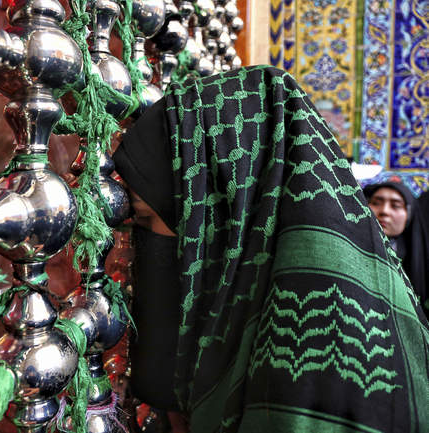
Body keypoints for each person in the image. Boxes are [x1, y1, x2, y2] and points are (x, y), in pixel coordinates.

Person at [113, 66, 429, 433]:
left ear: (219, 214)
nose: (130, 253)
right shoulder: (272, 294)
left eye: (147, 220)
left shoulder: (315, 339)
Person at [364, 181, 428, 315]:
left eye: (396, 206)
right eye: (376, 203)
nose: (384, 211)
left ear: (409, 214)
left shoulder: (417, 259)